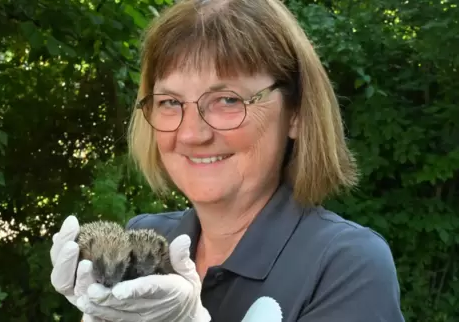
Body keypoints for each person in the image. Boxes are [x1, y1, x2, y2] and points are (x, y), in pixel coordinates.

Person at [50, 0, 406, 321]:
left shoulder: (346, 265)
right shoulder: (146, 240)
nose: (192, 134)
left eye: (228, 100)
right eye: (171, 102)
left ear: (296, 113)